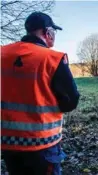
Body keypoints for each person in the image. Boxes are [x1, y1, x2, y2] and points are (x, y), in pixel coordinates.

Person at [1, 12, 80, 175]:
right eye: (54, 32)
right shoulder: (52, 58)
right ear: (47, 32)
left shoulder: (2, 54)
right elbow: (71, 101)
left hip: (8, 143)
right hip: (42, 144)